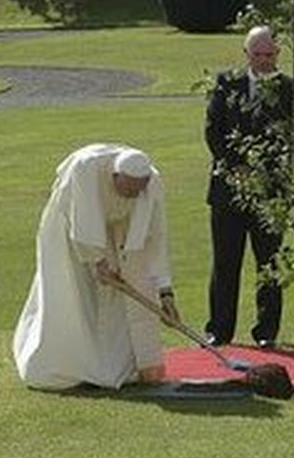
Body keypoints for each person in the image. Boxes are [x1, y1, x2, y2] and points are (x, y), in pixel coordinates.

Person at [12, 144, 179, 389]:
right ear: (114, 177)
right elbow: (83, 223)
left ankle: (116, 365)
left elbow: (156, 236)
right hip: (67, 231)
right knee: (75, 295)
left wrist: (165, 291)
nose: (133, 196)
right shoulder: (86, 169)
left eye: (138, 191)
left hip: (114, 231)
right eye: (128, 190)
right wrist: (98, 262)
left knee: (123, 294)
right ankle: (73, 367)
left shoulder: (151, 182)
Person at [204, 26, 294, 350]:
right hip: (228, 190)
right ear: (246, 55)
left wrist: (263, 171)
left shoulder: (290, 89)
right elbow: (213, 131)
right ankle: (220, 329)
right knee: (225, 262)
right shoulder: (226, 84)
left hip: (270, 192)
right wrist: (236, 166)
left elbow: (291, 138)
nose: (263, 61)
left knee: (269, 264)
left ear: (278, 54)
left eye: (269, 55)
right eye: (257, 55)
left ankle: (266, 331)